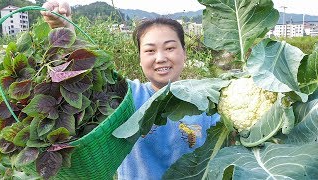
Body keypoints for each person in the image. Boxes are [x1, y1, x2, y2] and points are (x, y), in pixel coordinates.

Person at [41, 1, 220, 179]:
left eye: (170, 48)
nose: (160, 58)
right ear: (140, 59)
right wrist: (64, 29)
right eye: (150, 50)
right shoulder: (128, 96)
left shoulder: (208, 102)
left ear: (184, 52)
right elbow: (90, 73)